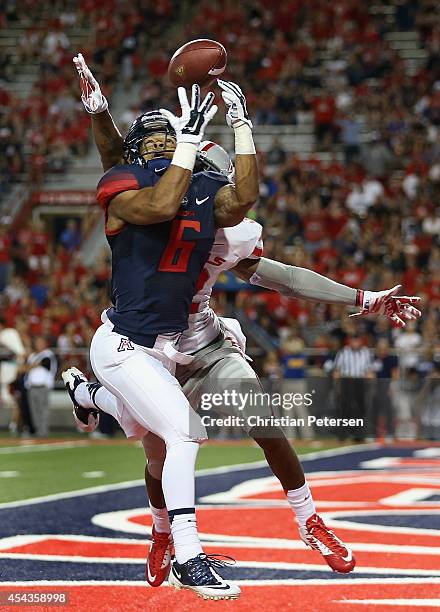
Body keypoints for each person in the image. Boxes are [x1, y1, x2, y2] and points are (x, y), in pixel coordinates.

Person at [64, 55, 423, 589]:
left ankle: (308, 519)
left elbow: (288, 277)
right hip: (142, 344)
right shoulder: (141, 198)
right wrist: (103, 114)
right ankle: (160, 524)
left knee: (262, 420)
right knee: (157, 450)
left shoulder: (221, 222)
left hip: (204, 342)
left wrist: (365, 298)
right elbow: (126, 162)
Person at [65, 55, 261, 600]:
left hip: (168, 348)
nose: (156, 140)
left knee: (153, 448)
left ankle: (88, 395)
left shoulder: (197, 184)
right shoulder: (125, 185)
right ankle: (189, 557)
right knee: (183, 432)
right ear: (134, 149)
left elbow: (243, 200)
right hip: (125, 344)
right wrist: (109, 117)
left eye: (164, 132)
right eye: (147, 136)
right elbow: (158, 202)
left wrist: (242, 130)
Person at [332, 334, 374, 442]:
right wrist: (337, 385)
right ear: (349, 341)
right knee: (344, 409)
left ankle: (358, 435)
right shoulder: (343, 352)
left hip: (360, 382)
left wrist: (370, 384)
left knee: (360, 409)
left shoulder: (366, 352)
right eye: (353, 341)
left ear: (360, 341)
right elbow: (337, 370)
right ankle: (342, 435)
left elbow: (369, 370)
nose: (355, 343)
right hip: (346, 381)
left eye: (357, 341)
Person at [24, 336, 57, 438]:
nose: (39, 344)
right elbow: (25, 368)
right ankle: (38, 431)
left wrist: (29, 367)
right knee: (34, 411)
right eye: (37, 342)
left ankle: (43, 432)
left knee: (43, 410)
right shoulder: (32, 356)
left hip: (43, 386)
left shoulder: (48, 354)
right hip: (32, 386)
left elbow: (44, 363)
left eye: (41, 342)